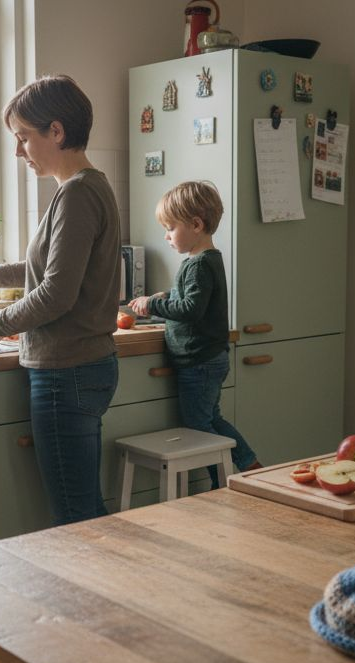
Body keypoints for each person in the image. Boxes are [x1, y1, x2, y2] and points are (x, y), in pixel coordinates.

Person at [0, 74, 121, 528]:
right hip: (84, 367)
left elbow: (56, 293)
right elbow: (51, 270)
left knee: (77, 516)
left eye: (23, 137)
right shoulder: (83, 187)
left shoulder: (78, 194)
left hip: (68, 372)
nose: (18, 151)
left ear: (56, 131)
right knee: (85, 510)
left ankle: (103, 600)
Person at [128, 181, 260, 486]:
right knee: (212, 420)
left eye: (170, 228)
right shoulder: (207, 260)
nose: (166, 236)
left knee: (200, 427)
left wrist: (155, 304)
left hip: (199, 362)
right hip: (209, 358)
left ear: (196, 224)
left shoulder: (198, 265)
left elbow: (190, 309)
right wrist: (167, 294)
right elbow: (194, 297)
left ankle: (223, 483)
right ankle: (248, 465)